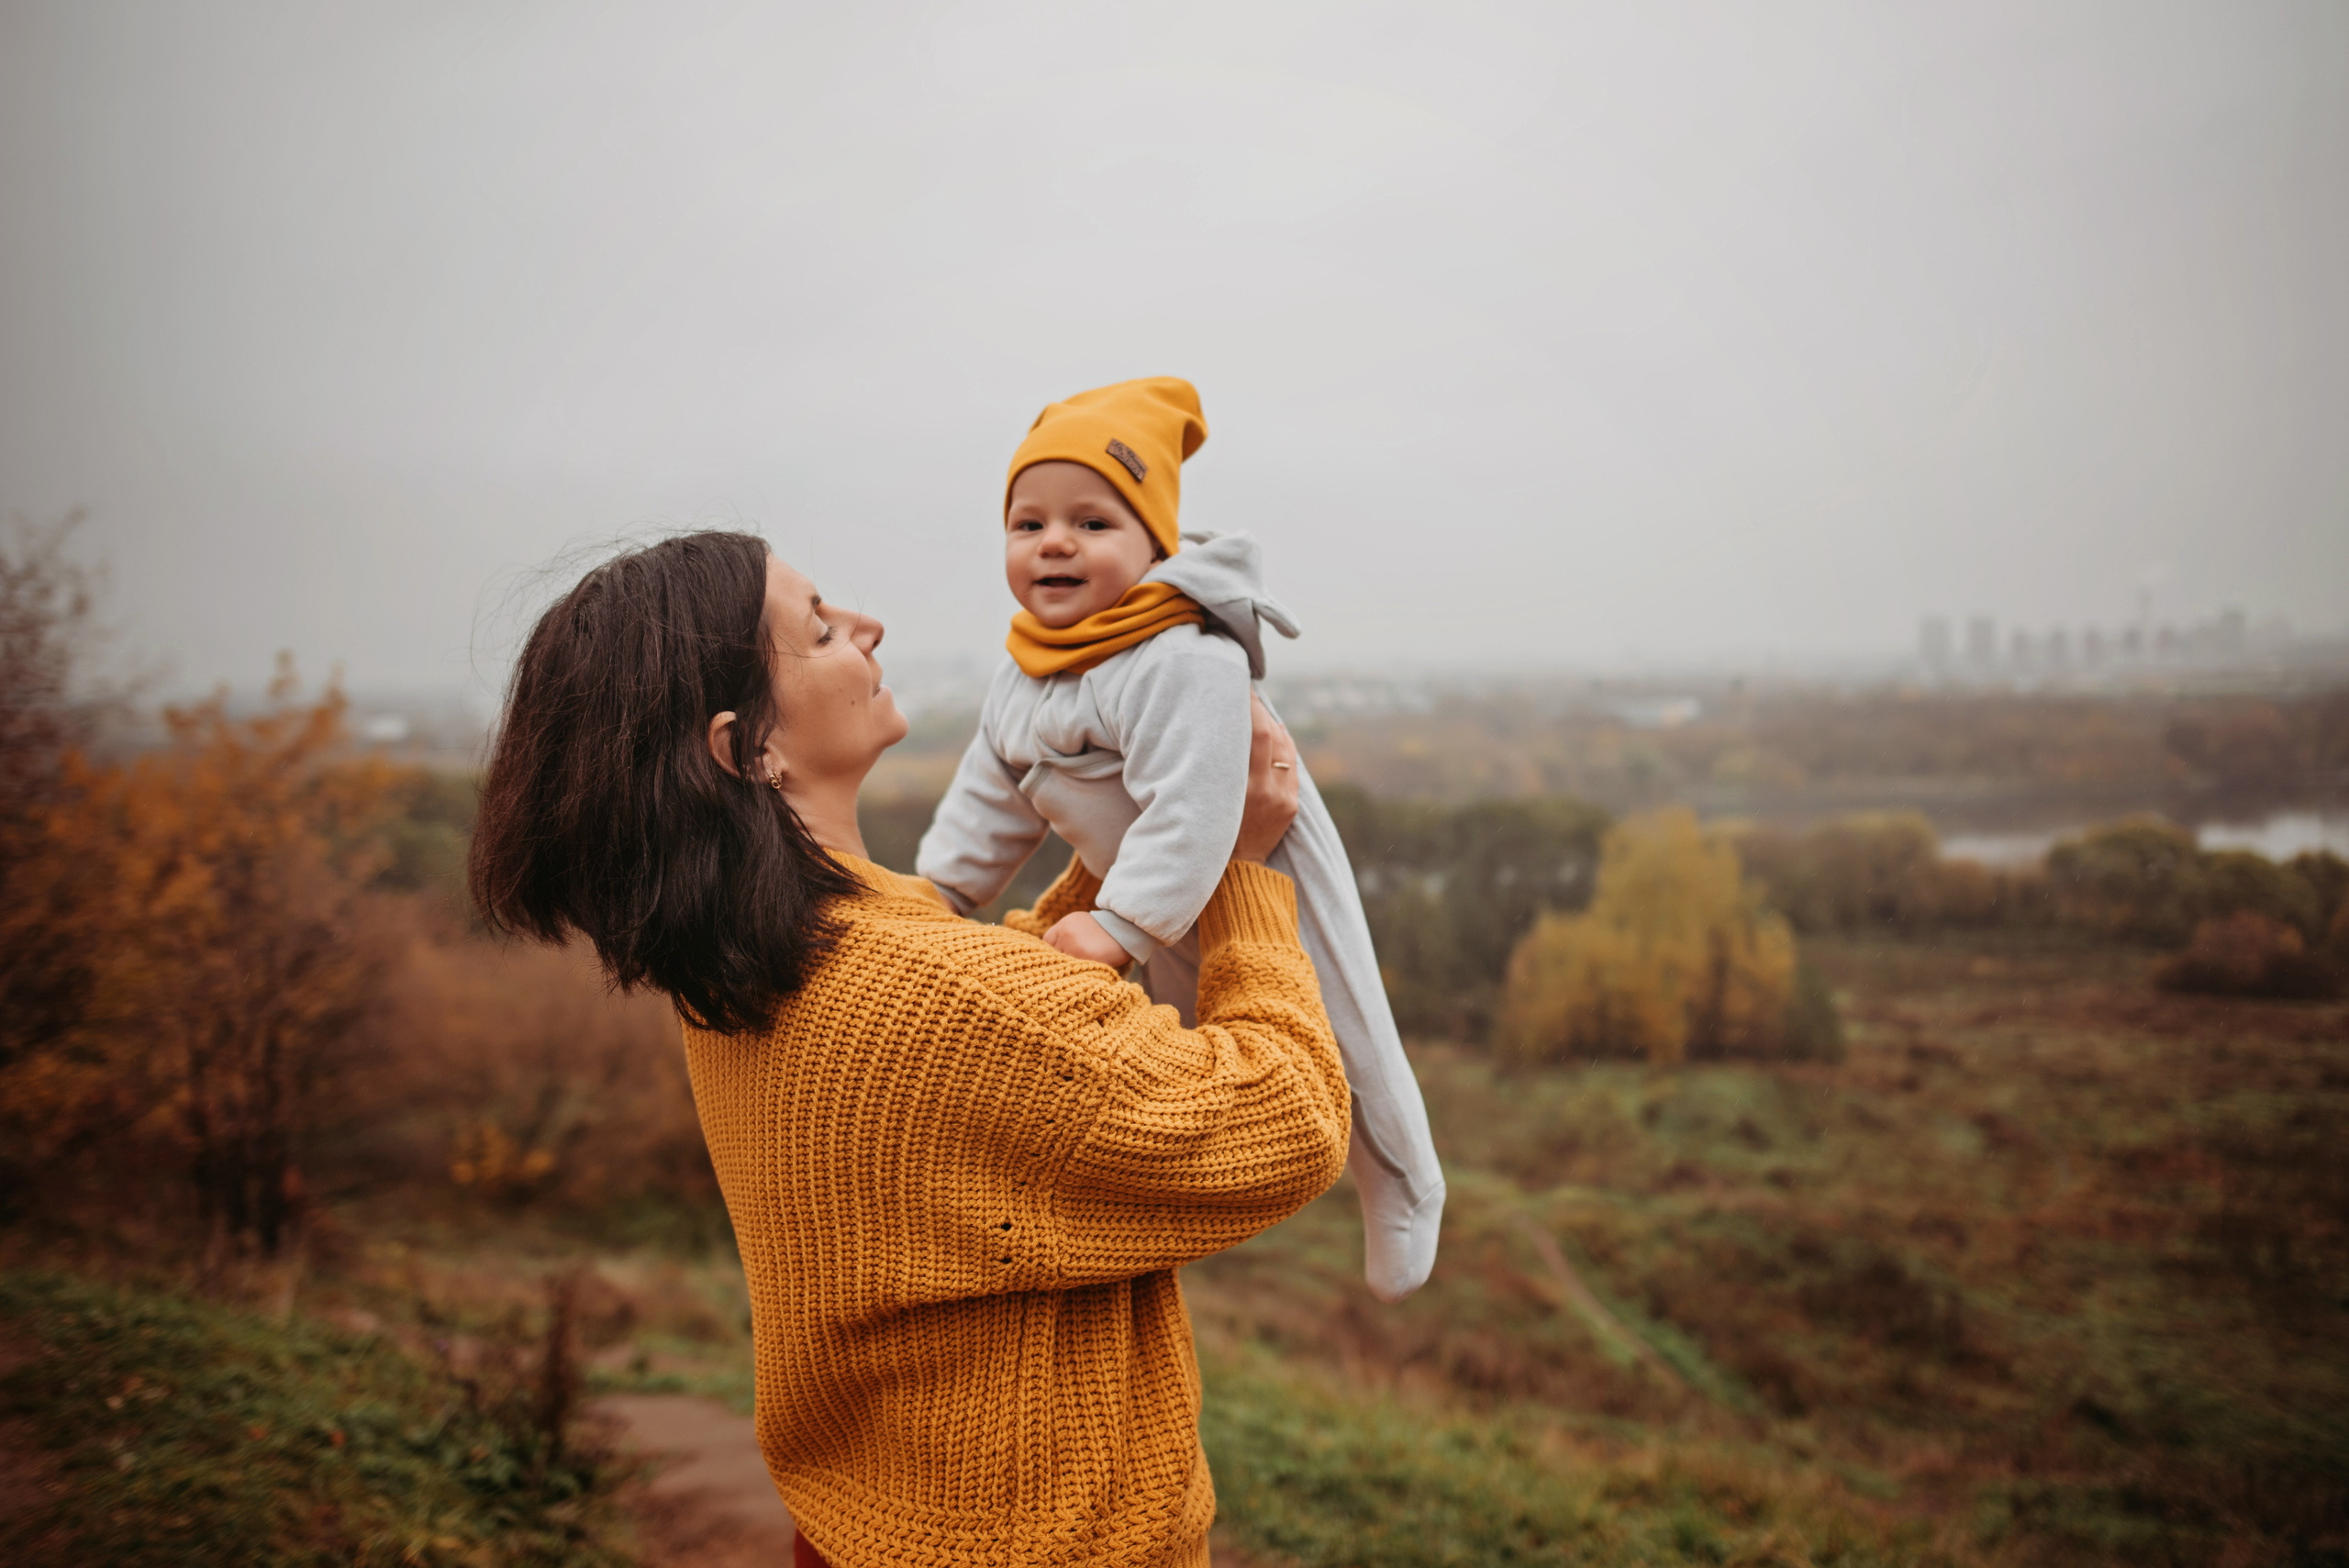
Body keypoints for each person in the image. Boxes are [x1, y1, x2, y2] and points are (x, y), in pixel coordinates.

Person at [467, 529, 1347, 1568]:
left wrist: (1146, 851)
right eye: (820, 628)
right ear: (746, 750)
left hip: (869, 1524)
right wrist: (1239, 872)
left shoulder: (744, 971)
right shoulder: (927, 999)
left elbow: (1005, 1037)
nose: (868, 626)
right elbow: (1291, 1117)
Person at [915, 377, 1445, 1303]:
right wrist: (939, 893)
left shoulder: (1179, 655)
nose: (1054, 542)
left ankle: (1403, 1183)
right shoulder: (1024, 672)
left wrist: (1119, 925)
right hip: (1144, 899)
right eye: (1028, 523)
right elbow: (991, 795)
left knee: (1341, 1026)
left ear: (1154, 544)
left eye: (1091, 521)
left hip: (1251, 864)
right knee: (1195, 1064)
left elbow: (1196, 808)